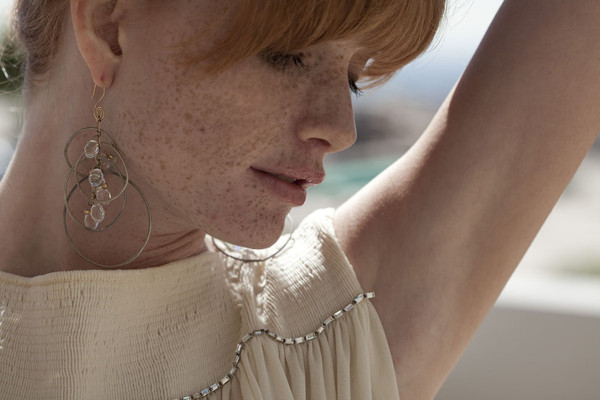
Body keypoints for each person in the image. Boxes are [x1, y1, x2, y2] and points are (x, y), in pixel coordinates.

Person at [1, 0, 599, 399]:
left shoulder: (333, 342)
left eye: (353, 78)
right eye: (286, 54)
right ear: (108, 28)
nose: (341, 127)